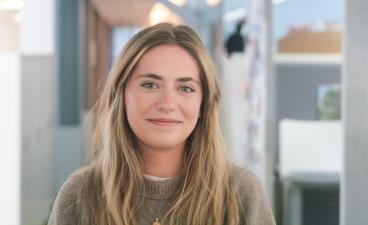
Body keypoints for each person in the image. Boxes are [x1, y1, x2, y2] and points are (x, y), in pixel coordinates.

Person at [48, 23, 275, 225]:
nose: (167, 103)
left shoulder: (242, 193)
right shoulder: (79, 194)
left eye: (185, 88)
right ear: (121, 96)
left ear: (202, 105)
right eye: (150, 85)